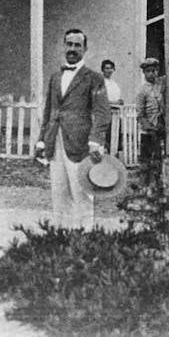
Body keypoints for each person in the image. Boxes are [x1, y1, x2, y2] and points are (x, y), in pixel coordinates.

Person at [36, 29, 110, 230]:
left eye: (77, 45)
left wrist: (95, 141)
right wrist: (42, 139)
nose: (72, 49)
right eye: (69, 44)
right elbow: (49, 110)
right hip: (56, 141)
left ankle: (85, 236)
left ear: (85, 49)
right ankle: (61, 235)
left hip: (80, 144)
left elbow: (103, 113)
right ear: (64, 46)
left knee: (82, 192)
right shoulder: (55, 77)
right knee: (58, 192)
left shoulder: (94, 78)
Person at [135, 58, 166, 173]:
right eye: (148, 71)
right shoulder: (142, 91)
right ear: (144, 73)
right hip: (148, 131)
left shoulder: (161, 83)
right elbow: (140, 114)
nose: (152, 73)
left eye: (154, 70)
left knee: (159, 161)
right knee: (146, 163)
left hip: (161, 128)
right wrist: (150, 128)